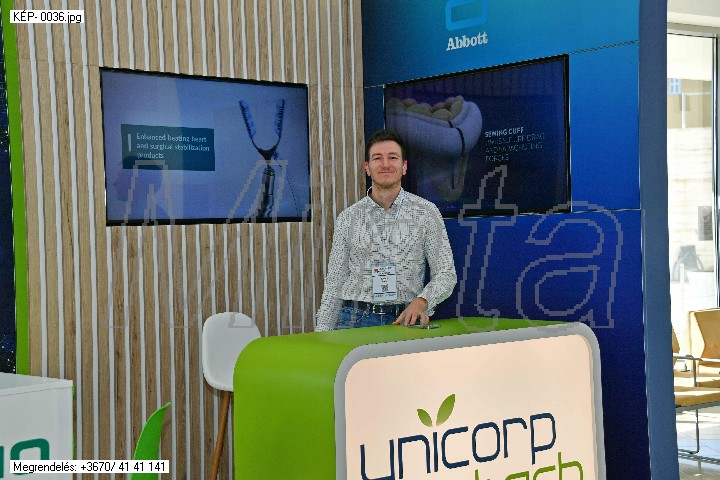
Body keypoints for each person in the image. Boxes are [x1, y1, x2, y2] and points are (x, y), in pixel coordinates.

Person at [315, 129, 457, 331]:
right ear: (367, 167)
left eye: (393, 157)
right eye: (377, 158)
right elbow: (334, 284)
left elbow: (446, 273)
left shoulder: (427, 212)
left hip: (405, 320)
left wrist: (423, 301)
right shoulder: (348, 218)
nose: (385, 164)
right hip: (354, 320)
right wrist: (321, 335)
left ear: (404, 166)